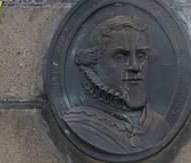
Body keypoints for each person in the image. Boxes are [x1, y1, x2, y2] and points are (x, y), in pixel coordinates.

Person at [62, 15, 171, 155]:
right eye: (120, 57)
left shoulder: (160, 126)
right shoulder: (77, 124)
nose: (135, 66)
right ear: (95, 64)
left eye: (141, 56)